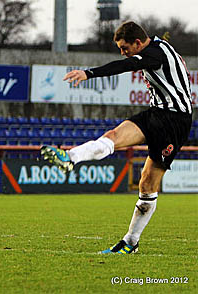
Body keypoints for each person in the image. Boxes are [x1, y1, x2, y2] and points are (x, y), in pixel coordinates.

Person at [41, 21, 192, 254]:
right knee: (113, 136)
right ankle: (70, 156)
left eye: (124, 47)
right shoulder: (157, 46)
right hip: (156, 113)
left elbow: (126, 65)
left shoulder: (154, 54)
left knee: (147, 184)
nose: (123, 51)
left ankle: (131, 241)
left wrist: (88, 73)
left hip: (174, 121)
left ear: (138, 43)